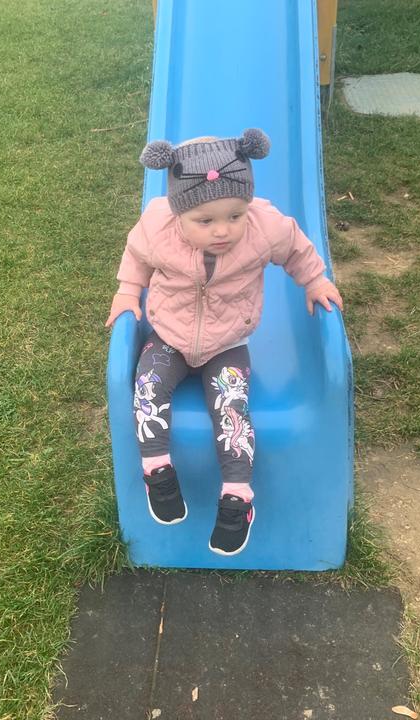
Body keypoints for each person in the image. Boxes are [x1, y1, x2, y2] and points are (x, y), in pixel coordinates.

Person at [105, 129, 343, 556]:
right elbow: (136, 256)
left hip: (228, 343)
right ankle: (157, 470)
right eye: (206, 221)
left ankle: (237, 496)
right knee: (146, 388)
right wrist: (127, 291)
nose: (223, 230)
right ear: (179, 212)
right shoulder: (158, 225)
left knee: (232, 409)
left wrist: (315, 280)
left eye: (235, 216)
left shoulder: (264, 226)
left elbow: (295, 247)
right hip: (168, 337)